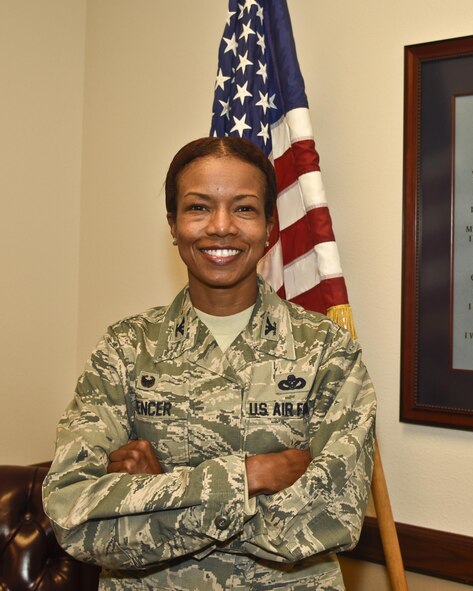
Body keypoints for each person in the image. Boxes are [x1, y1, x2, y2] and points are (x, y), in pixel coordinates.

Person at [43, 137, 376, 591]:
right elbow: (73, 512)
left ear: (269, 227)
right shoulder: (125, 349)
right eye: (198, 208)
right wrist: (248, 476)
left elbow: (330, 517)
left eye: (243, 209)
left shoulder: (327, 352)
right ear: (173, 224)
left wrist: (163, 492)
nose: (221, 227)